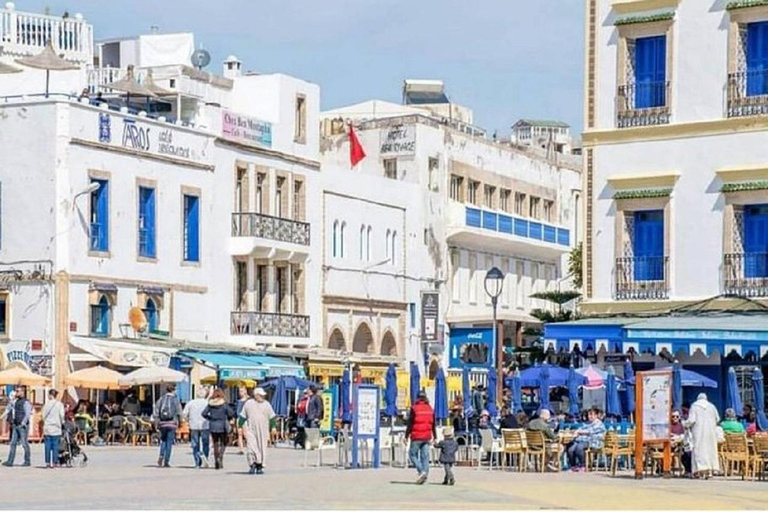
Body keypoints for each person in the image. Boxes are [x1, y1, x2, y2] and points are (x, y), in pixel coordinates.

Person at [239, 387, 275, 475]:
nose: (262, 397)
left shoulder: (267, 405)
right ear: (256, 395)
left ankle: (260, 465)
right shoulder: (249, 404)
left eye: (263, 396)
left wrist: (273, 427)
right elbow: (242, 416)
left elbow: (272, 417)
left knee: (262, 447)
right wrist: (240, 425)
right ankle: (252, 464)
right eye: (261, 395)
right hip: (251, 429)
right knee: (251, 447)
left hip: (263, 429)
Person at [684, 393, 720, 479]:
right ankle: (710, 470)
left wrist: (685, 424)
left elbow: (691, 420)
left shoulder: (695, 406)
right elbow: (717, 419)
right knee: (710, 449)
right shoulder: (712, 406)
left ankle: (699, 470)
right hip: (710, 432)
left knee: (699, 450)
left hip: (698, 431)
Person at [406, 390, 436, 485]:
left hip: (416, 436)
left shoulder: (414, 408)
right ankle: (425, 476)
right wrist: (435, 436)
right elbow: (433, 424)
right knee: (425, 457)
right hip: (427, 436)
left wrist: (406, 436)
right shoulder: (430, 409)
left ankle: (421, 471)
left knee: (412, 454)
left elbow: (410, 423)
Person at [203, 388, 235, 470]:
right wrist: (229, 417)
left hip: (213, 425)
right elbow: (231, 413)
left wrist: (210, 418)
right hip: (222, 425)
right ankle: (220, 457)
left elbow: (203, 413)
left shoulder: (210, 404)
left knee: (215, 443)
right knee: (224, 442)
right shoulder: (224, 404)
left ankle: (216, 459)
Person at [566, 407, 605, 472]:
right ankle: (573, 466)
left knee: (579, 447)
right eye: (589, 414)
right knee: (571, 447)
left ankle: (583, 465)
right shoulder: (586, 423)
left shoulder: (599, 424)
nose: (590, 416)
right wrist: (575, 432)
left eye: (591, 414)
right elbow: (580, 429)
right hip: (582, 440)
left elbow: (590, 432)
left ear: (596, 415)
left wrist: (579, 432)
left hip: (594, 442)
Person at [2, 387, 33, 467]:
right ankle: (10, 461)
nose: (16, 393)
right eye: (16, 391)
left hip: (22, 426)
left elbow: (27, 413)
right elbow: (8, 409)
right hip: (15, 425)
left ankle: (27, 460)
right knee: (13, 443)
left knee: (24, 443)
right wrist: (2, 417)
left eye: (18, 391)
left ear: (22, 392)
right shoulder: (15, 401)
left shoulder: (26, 402)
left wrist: (23, 423)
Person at [153, 384, 182, 468]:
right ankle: (166, 461)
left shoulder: (161, 399)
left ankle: (161, 455)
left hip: (162, 424)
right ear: (174, 390)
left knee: (163, 440)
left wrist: (157, 422)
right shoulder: (175, 400)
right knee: (169, 442)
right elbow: (179, 412)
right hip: (172, 424)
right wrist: (180, 422)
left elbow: (156, 412)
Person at [183, 387, 210, 469]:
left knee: (195, 444)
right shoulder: (207, 403)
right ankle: (205, 457)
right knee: (205, 443)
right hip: (205, 425)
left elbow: (184, 414)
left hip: (193, 425)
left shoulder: (191, 403)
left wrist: (188, 420)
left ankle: (197, 462)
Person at [42, 389, 65, 469]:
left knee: (47, 446)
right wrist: (62, 423)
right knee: (55, 446)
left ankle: (48, 462)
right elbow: (62, 415)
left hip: (48, 427)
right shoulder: (60, 405)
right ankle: (55, 462)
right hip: (56, 428)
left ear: (51, 395)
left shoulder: (46, 405)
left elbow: (43, 415)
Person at [236, 386, 249, 454]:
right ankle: (241, 449)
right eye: (239, 391)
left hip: (245, 419)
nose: (240, 393)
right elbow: (236, 411)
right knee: (239, 434)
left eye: (241, 391)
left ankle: (250, 447)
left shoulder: (248, 400)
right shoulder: (238, 401)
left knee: (246, 434)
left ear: (245, 391)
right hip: (239, 418)